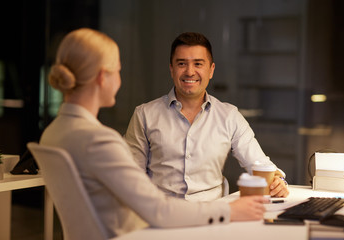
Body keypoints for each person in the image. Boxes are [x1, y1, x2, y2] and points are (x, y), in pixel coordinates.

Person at [40, 28, 269, 238]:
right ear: (103, 77)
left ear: (211, 69)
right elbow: (157, 210)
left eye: (198, 63)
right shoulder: (100, 140)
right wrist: (229, 210)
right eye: (119, 70)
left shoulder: (52, 133)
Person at [125, 32, 289, 201]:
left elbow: (259, 163)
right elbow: (130, 176)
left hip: (213, 217)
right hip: (161, 216)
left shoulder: (229, 116)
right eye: (182, 63)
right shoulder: (144, 115)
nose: (190, 72)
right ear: (171, 69)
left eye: (198, 64)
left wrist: (278, 181)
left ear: (211, 70)